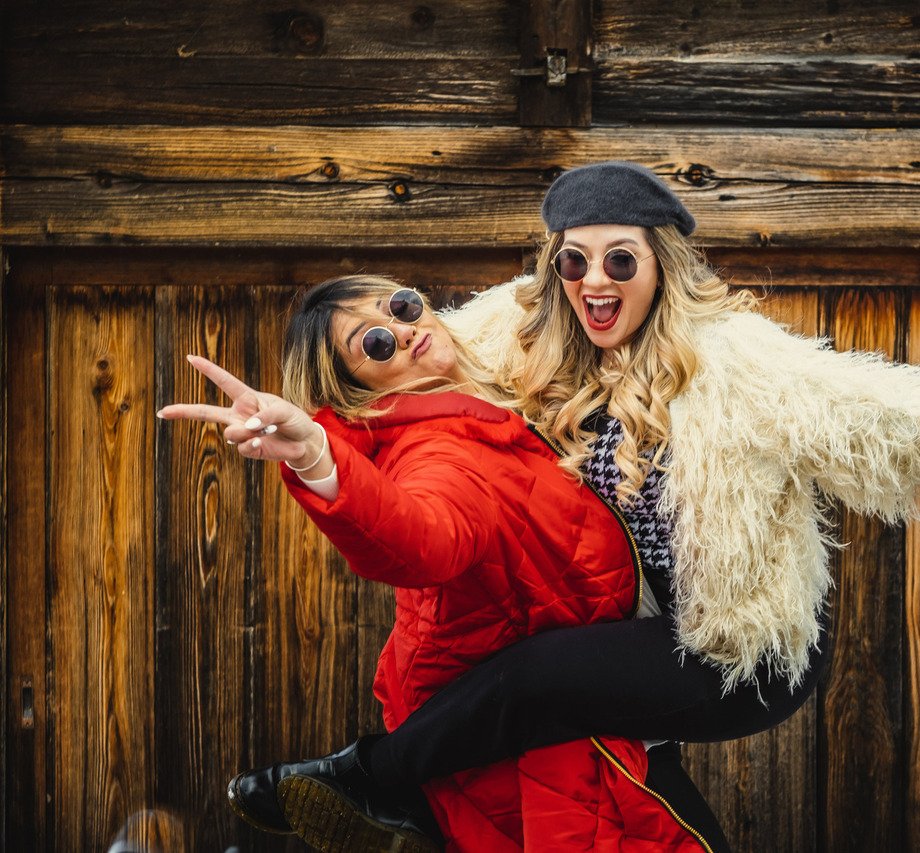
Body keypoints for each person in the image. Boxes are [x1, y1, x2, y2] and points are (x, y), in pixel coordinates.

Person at [225, 162, 920, 851]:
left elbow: (877, 413)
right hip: (639, 630)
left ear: (661, 263)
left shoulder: (735, 361)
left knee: (536, 681)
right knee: (619, 780)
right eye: (575, 262)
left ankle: (374, 780)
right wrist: (316, 444)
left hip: (739, 648)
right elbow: (397, 381)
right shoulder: (525, 329)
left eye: (621, 260)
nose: (596, 282)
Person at [157, 274, 725, 853]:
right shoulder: (438, 448)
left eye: (400, 306)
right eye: (375, 344)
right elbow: (424, 538)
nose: (404, 331)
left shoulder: (493, 394)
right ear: (357, 390)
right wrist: (316, 458)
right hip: (540, 744)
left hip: (548, 707)